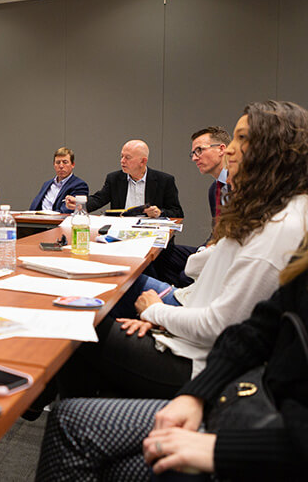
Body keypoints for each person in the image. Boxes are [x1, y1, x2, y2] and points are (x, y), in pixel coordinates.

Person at [56, 100, 308, 400]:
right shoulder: (270, 209)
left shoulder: (278, 227)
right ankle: (83, 407)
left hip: (193, 358)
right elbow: (201, 271)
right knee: (104, 295)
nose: (229, 150)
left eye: (241, 139)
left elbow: (219, 325)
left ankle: (72, 410)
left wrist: (155, 312)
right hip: (185, 322)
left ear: (273, 149)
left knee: (77, 325)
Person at [36, 232, 308, 481]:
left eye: (236, 175)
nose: (231, 180)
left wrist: (223, 449)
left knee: (82, 340)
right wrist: (196, 394)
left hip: (258, 429)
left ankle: (33, 399)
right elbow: (253, 331)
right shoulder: (294, 242)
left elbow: (221, 325)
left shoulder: (283, 226)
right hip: (244, 398)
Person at [149, 126, 231, 287]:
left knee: (185, 276)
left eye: (199, 150)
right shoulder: (214, 189)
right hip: (216, 248)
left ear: (221, 149)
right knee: (159, 254)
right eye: (193, 153)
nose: (194, 158)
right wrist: (202, 250)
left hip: (230, 255)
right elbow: (217, 231)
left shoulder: (241, 184)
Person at [65, 139, 183, 218]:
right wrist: (79, 203)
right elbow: (98, 199)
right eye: (121, 156)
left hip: (151, 233)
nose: (122, 161)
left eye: (128, 158)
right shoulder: (114, 179)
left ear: (143, 161)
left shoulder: (164, 180)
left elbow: (177, 212)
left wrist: (159, 212)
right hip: (121, 232)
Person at [20, 147, 88, 238]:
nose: (61, 166)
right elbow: (34, 207)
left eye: (65, 162)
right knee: (17, 227)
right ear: (54, 165)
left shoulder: (79, 185)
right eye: (58, 162)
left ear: (73, 165)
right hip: (38, 223)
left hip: (56, 226)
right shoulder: (47, 184)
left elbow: (66, 212)